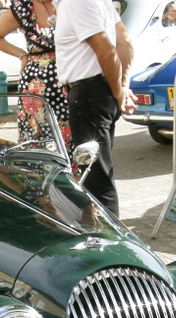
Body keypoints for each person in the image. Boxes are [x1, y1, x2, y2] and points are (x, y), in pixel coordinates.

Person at [53, 0, 136, 217]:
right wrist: (121, 87)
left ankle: (108, 243)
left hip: (90, 92)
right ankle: (103, 236)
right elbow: (125, 44)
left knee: (96, 178)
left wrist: (120, 90)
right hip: (98, 90)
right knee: (98, 173)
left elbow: (109, 50)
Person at [0, 0, 71, 152]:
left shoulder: (70, 3)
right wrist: (22, 56)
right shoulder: (23, 8)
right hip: (35, 85)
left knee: (73, 133)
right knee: (35, 135)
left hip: (72, 78)